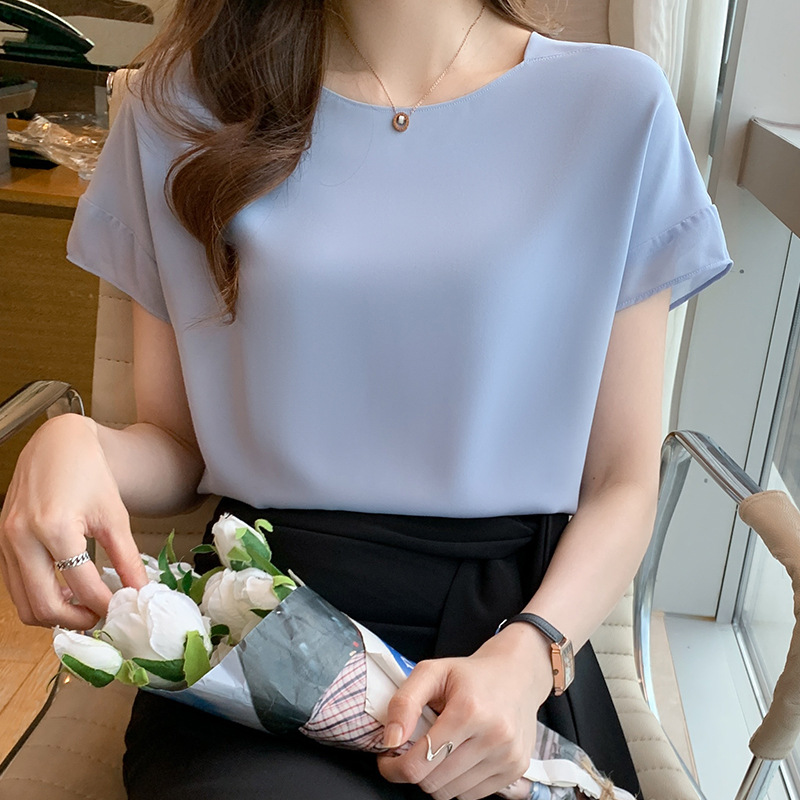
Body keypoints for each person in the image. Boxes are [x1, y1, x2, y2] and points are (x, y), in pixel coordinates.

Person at [0, 0, 732, 798]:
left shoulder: (615, 106)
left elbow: (621, 483)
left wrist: (530, 656)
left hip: (508, 632)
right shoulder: (180, 108)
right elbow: (179, 446)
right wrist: (75, 441)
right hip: (264, 630)